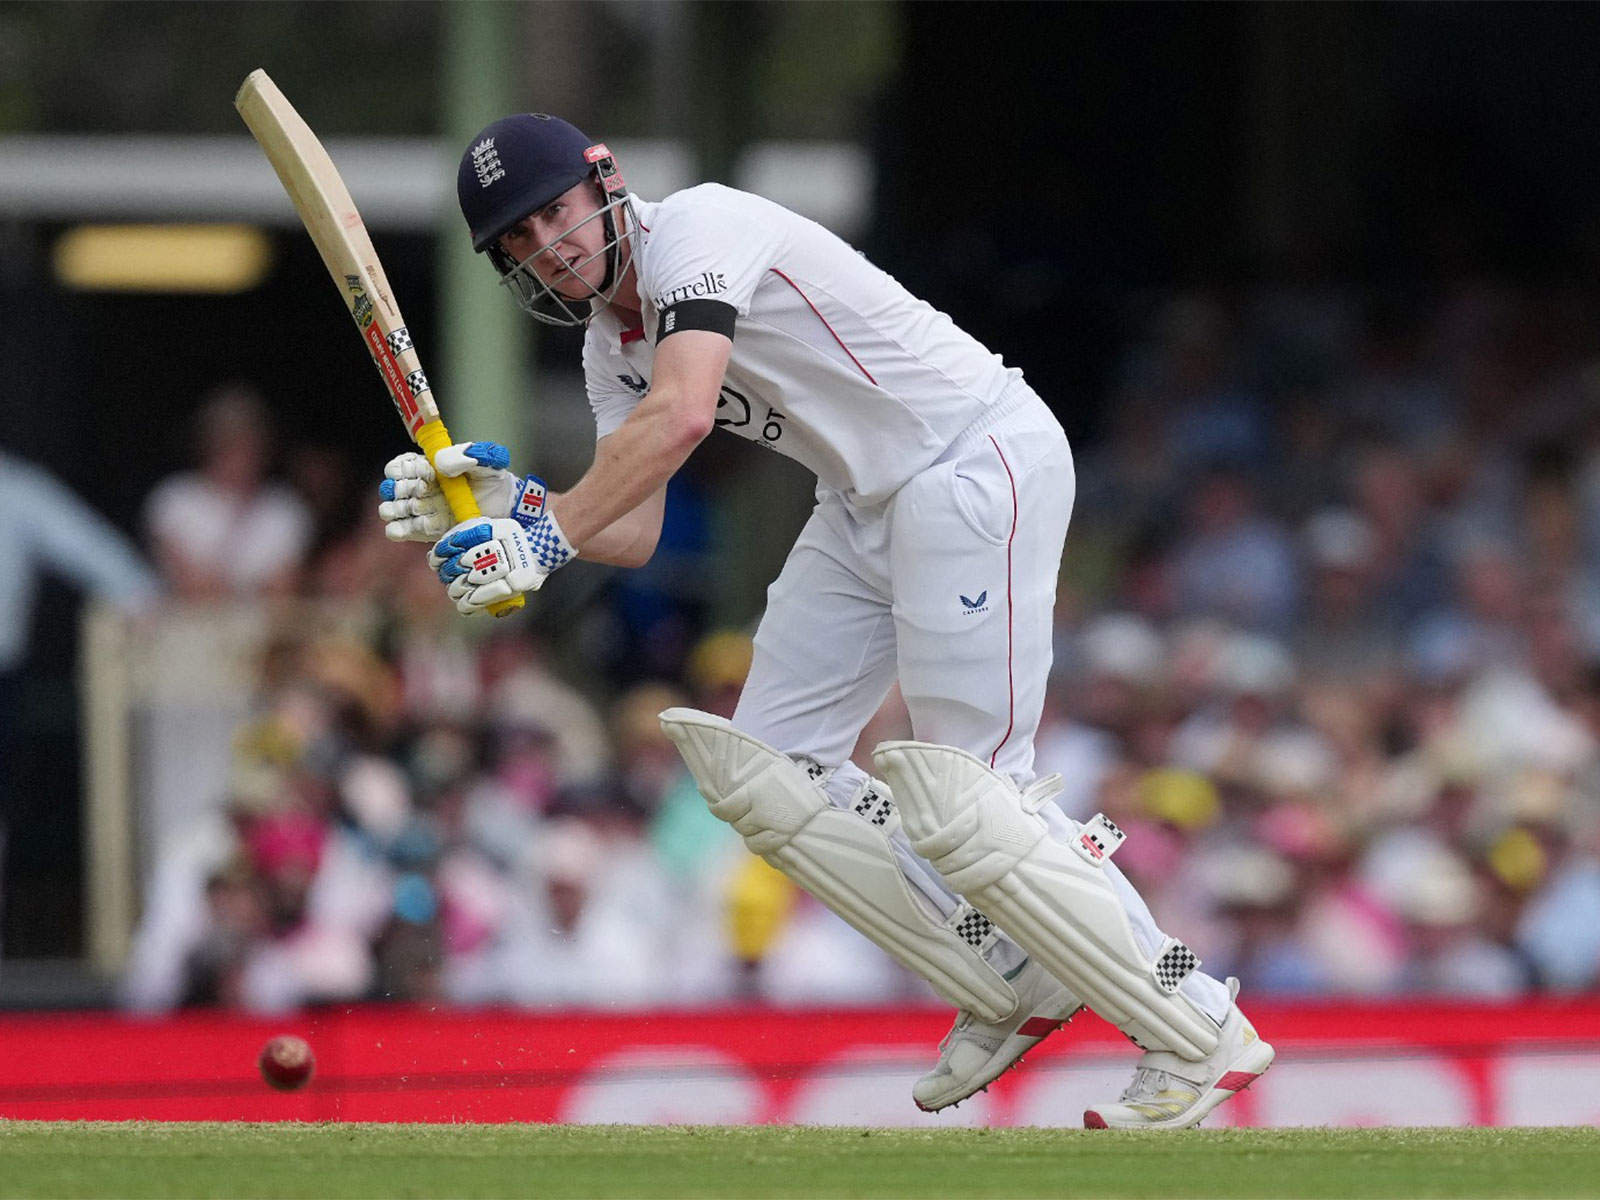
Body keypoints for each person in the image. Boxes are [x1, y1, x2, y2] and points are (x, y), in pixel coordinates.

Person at [375, 114, 1274, 1128]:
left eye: (553, 216)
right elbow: (628, 531)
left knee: (976, 798)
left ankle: (1198, 1022)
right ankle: (1009, 981)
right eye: (519, 241)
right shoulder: (608, 346)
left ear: (604, 182)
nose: (548, 247)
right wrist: (515, 510)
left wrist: (538, 543)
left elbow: (680, 416)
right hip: (863, 503)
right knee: (765, 771)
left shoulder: (699, 232)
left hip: (973, 461)